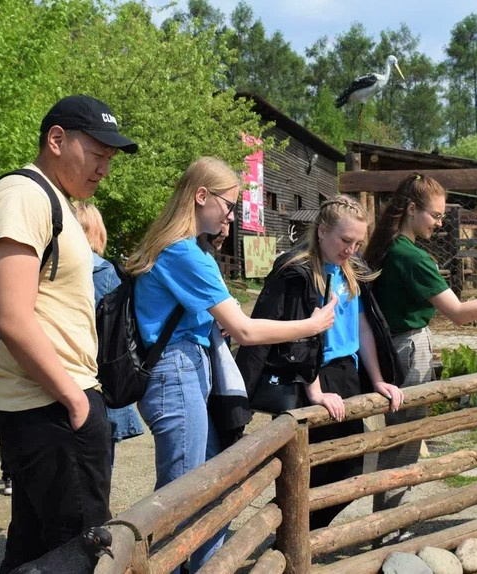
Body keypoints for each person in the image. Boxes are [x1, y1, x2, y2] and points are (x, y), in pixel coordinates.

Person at [125, 156, 337, 572]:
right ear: (201, 196)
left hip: (188, 369)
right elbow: (245, 330)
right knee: (181, 491)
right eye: (228, 204)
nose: (231, 215)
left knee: (205, 481)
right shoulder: (183, 253)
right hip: (176, 373)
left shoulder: (185, 249)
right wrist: (311, 325)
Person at [0, 94, 138, 573]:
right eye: (98, 153)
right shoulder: (24, 197)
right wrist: (76, 401)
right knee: (79, 553)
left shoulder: (51, 199)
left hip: (50, 406)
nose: (104, 168)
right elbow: (13, 317)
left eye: (110, 158)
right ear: (57, 139)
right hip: (50, 407)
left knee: (34, 551)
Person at [363, 173, 477, 535]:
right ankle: (390, 526)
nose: (440, 223)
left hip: (389, 349)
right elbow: (458, 313)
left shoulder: (386, 247)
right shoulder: (411, 257)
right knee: (405, 440)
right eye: (436, 215)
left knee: (400, 437)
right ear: (411, 210)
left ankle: (388, 522)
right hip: (408, 350)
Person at [236, 195, 405, 531]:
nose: (351, 250)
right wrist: (314, 391)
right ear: (322, 231)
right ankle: (295, 536)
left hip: (347, 373)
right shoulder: (296, 271)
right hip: (312, 377)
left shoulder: (351, 271)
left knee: (350, 462)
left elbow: (364, 328)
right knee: (310, 466)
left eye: (357, 243)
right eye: (345, 240)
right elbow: (297, 339)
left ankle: (305, 533)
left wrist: (377, 378)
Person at [75, 201, 145, 470]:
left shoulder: (49, 271)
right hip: (101, 379)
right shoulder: (109, 274)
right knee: (99, 469)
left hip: (61, 373)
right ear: (98, 232)